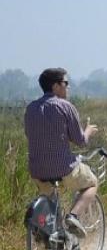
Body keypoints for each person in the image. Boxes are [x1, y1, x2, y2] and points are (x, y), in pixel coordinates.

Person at [23, 68, 99, 238]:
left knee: (49, 198)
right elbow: (80, 141)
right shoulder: (65, 107)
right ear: (56, 86)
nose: (68, 87)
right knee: (92, 183)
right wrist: (88, 131)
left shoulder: (31, 108)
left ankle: (48, 233)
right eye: (66, 83)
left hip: (37, 170)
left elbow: (30, 135)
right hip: (63, 167)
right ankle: (73, 216)